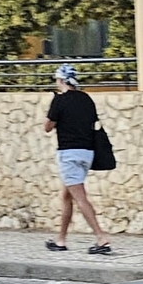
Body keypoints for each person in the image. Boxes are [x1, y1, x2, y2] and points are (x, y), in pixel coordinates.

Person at [41, 64, 112, 255]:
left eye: (57, 79)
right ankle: (61, 239)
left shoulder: (60, 100)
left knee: (80, 198)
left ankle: (101, 237)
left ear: (62, 80)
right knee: (67, 195)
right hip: (87, 153)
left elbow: (47, 127)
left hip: (69, 154)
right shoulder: (86, 99)